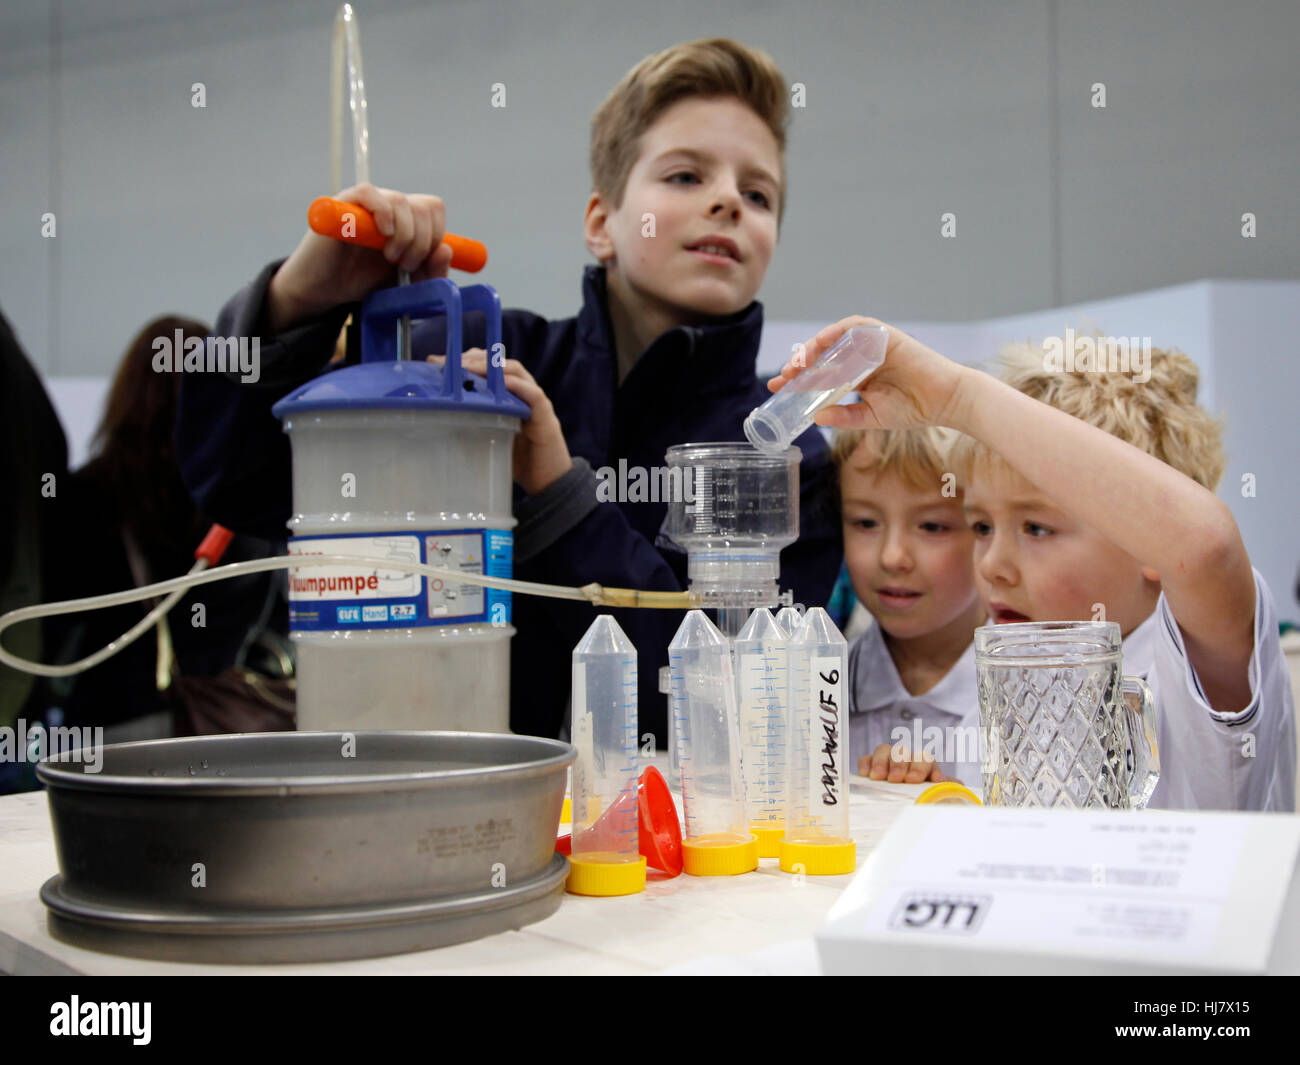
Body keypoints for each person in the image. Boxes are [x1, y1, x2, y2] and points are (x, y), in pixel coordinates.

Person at [176, 38, 842, 742]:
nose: (727, 202)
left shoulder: (785, 453)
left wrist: (564, 502)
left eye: (758, 193)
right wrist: (298, 303)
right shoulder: (480, 362)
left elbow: (747, 723)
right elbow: (231, 477)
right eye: (684, 176)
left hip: (678, 850)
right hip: (449, 814)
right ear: (601, 224)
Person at [770, 319, 1296, 810]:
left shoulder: (1184, 668)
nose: (993, 566)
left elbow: (1205, 546)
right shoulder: (1004, 687)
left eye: (1037, 528)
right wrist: (939, 811)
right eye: (980, 528)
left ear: (1148, 545)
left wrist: (961, 399)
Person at [832, 427, 985, 787]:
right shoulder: (810, 698)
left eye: (932, 526)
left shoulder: (1043, 696)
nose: (892, 557)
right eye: (866, 522)